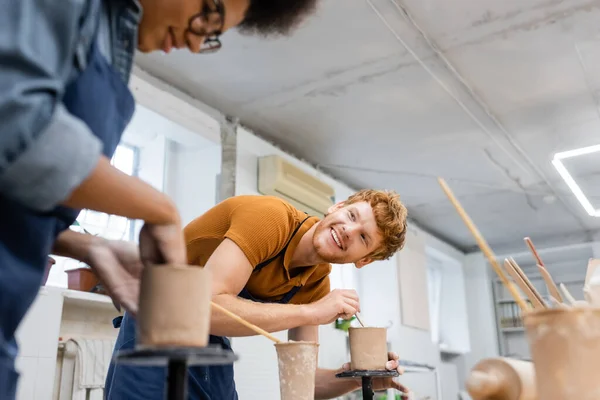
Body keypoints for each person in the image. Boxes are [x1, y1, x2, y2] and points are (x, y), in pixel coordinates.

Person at [0, 0, 320, 398]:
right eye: (210, 12)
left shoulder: (114, 41)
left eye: (214, 33)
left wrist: (86, 245)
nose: (198, 35)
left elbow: (17, 188)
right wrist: (159, 209)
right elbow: (16, 124)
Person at [105, 189, 411, 399]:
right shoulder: (271, 219)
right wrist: (311, 312)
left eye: (363, 237)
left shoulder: (316, 281)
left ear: (364, 260)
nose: (348, 230)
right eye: (353, 216)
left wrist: (360, 376)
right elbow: (203, 307)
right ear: (338, 207)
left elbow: (305, 381)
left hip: (208, 337)